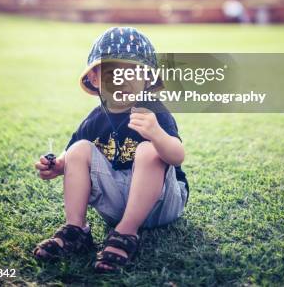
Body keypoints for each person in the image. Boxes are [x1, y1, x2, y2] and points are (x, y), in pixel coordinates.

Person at [33, 26, 189, 273]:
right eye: (113, 72)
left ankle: (127, 232)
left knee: (149, 151)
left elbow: (177, 156)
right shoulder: (95, 119)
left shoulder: (153, 111)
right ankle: (75, 228)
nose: (123, 80)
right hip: (117, 203)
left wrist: (157, 135)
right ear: (94, 78)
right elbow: (71, 156)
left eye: (133, 72)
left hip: (161, 204)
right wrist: (57, 165)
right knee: (79, 148)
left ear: (147, 78)